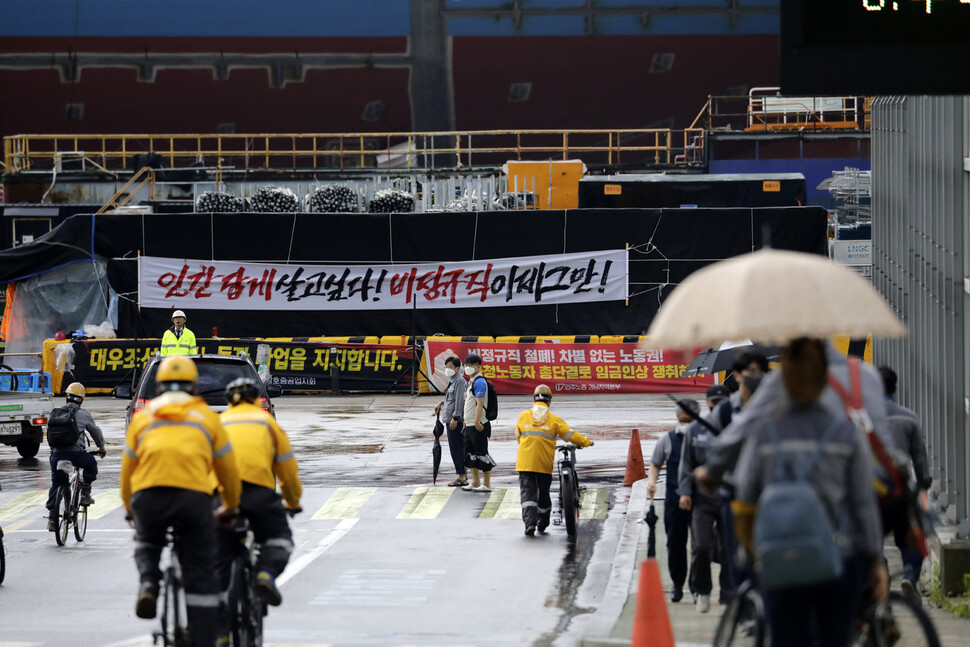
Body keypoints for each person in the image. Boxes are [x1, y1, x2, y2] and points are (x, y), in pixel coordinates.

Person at [732, 338, 887, 647]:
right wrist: (875, 560)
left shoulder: (764, 434)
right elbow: (862, 504)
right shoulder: (845, 434)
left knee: (787, 638)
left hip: (780, 559)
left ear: (782, 378)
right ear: (824, 380)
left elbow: (744, 499)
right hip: (838, 559)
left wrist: (750, 551)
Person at [121, 356, 241, 647]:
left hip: (149, 497)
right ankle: (203, 637)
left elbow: (128, 472)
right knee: (201, 568)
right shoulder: (208, 418)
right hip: (193, 499)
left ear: (159, 388)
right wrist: (231, 506)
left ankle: (149, 580)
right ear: (195, 388)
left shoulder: (144, 418)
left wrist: (129, 508)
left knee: (147, 540)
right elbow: (228, 471)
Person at [218, 377, 302, 608]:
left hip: (221, 497)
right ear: (256, 398)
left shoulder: (217, 424)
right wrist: (293, 502)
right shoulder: (267, 423)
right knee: (279, 539)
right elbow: (287, 470)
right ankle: (265, 574)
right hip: (258, 493)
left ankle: (220, 623)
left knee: (215, 546)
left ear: (228, 401)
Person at [878, 365, 931, 601]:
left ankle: (880, 572)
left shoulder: (862, 418)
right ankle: (910, 574)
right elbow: (919, 456)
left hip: (870, 489)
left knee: (870, 538)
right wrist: (923, 484)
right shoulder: (909, 417)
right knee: (911, 533)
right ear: (895, 388)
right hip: (901, 488)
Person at [678, 385, 733, 612]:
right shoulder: (696, 429)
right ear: (708, 403)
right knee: (701, 546)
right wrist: (685, 492)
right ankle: (702, 590)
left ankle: (729, 594)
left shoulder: (737, 427)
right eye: (714, 402)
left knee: (730, 549)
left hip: (730, 496)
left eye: (722, 402)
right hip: (702, 498)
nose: (718, 406)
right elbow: (686, 462)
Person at [514, 384, 593, 536]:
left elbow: (519, 438)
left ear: (534, 399)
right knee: (544, 493)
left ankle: (529, 523)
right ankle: (542, 523)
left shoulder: (522, 416)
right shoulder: (553, 420)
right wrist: (586, 441)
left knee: (527, 494)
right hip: (544, 464)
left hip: (525, 462)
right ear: (549, 401)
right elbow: (570, 435)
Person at [646, 398, 700, 603]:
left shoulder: (704, 438)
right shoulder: (667, 439)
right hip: (673, 500)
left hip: (699, 500)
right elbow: (655, 463)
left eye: (689, 419)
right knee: (675, 544)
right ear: (677, 418)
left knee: (699, 545)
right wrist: (652, 482)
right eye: (682, 419)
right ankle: (677, 585)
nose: (685, 423)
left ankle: (697, 586)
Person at [45, 382, 106, 531]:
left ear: (66, 398)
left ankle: (52, 518)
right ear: (81, 400)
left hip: (56, 456)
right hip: (76, 455)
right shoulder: (84, 414)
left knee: (57, 483)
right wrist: (101, 447)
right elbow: (95, 432)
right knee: (91, 463)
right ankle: (85, 491)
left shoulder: (55, 413)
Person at [709, 351, 769, 433]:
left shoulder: (776, 406)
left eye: (761, 372)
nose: (757, 375)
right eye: (752, 371)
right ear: (736, 375)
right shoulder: (724, 410)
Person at [461, 353, 496, 492]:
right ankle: (475, 482)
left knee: (482, 453)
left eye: (470, 365)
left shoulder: (480, 382)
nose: (467, 368)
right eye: (466, 365)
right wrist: (466, 420)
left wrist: (476, 421)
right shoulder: (471, 382)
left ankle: (486, 484)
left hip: (478, 424)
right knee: (470, 453)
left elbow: (479, 404)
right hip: (469, 423)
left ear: (478, 366)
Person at [434, 356, 468, 487]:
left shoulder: (459, 381)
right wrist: (441, 402)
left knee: (457, 448)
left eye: (450, 367)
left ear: (457, 368)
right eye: (446, 367)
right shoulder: (453, 381)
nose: (447, 369)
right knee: (455, 448)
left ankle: (462, 477)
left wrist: (456, 418)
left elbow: (460, 401)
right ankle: (462, 475)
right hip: (450, 419)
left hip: (455, 420)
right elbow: (451, 399)